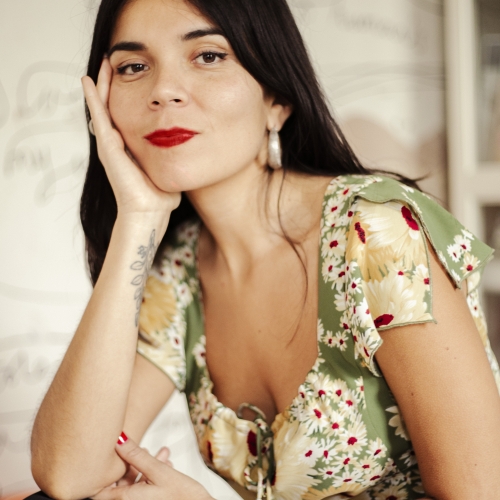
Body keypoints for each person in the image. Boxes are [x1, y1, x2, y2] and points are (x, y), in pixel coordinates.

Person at [30, 0, 500, 498]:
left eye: (208, 56)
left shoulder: (377, 233)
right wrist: (138, 219)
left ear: (276, 99)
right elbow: (69, 472)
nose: (163, 90)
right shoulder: (179, 272)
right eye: (133, 67)